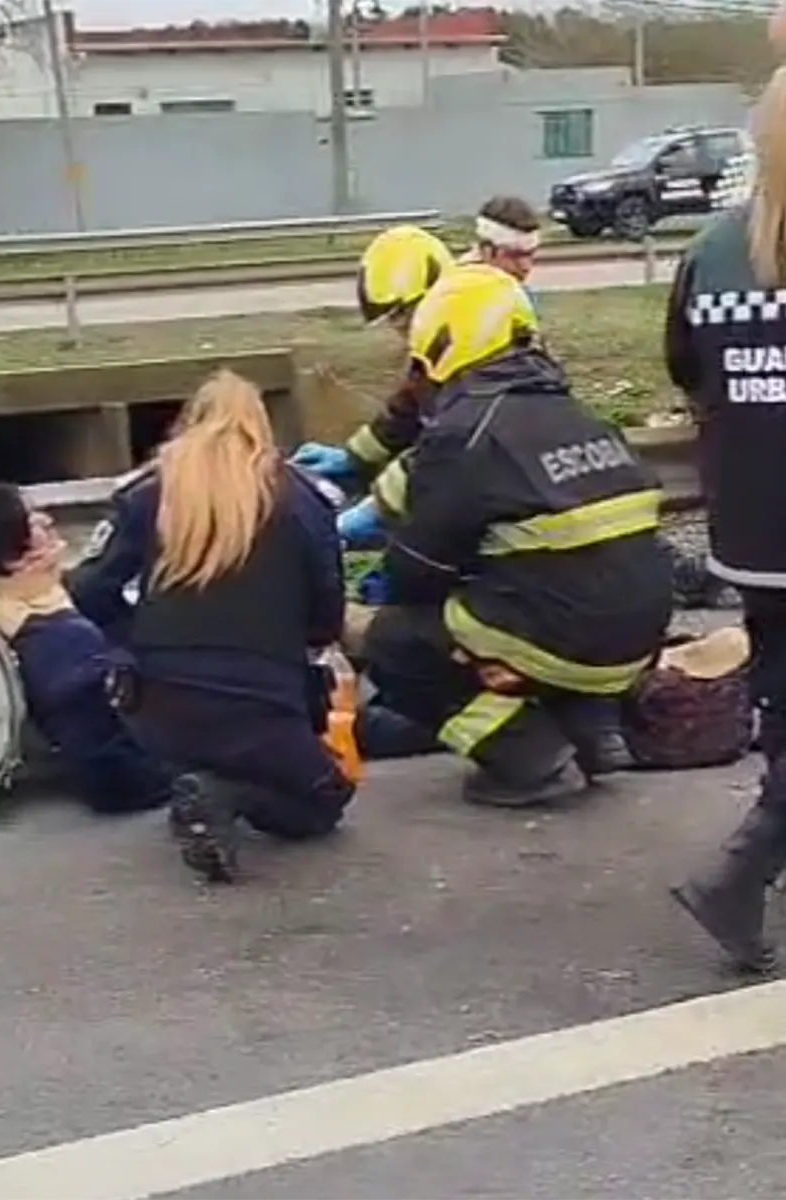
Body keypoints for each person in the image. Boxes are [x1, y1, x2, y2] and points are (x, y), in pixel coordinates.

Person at [362, 263, 671, 806]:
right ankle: (593, 732)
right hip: (638, 636)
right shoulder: (573, 412)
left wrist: (452, 636)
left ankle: (527, 755)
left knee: (397, 642)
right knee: (539, 592)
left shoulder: (468, 429)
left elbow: (414, 572)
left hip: (568, 637)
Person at [67, 368, 355, 884]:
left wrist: (133, 636)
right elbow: (326, 613)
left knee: (202, 748)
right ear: (262, 428)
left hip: (158, 702)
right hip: (260, 700)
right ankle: (227, 793)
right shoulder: (301, 498)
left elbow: (88, 587)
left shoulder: (149, 492)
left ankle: (200, 782)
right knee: (323, 801)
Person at [665, 67, 786, 972]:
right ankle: (737, 877)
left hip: (749, 531)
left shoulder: (709, 250)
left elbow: (684, 368)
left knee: (782, 707)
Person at [0, 483, 200, 817]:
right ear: (14, 556)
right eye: (34, 520)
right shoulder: (61, 642)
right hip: (135, 769)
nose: (48, 521)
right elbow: (104, 767)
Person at [291, 223, 454, 547]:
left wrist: (377, 508)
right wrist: (353, 458)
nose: (397, 328)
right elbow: (406, 415)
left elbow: (446, 455)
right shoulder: (433, 349)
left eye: (401, 315)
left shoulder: (468, 353)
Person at [458, 195, 541, 290]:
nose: (525, 266)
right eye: (514, 255)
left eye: (530, 254)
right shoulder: (460, 292)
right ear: (487, 251)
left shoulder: (516, 292)